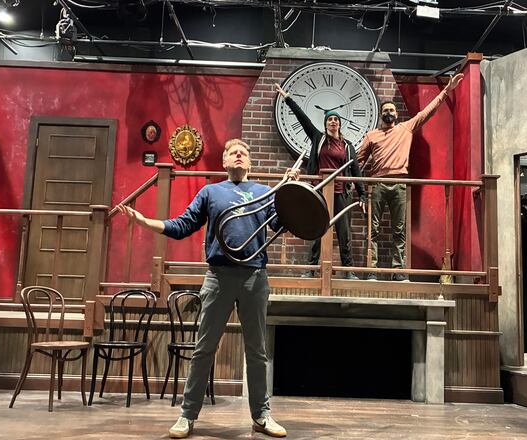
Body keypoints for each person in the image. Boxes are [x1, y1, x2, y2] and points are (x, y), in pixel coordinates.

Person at [118, 139, 296, 439]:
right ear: (225, 162)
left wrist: (288, 192)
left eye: (244, 153)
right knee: (204, 349)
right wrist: (146, 222)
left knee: (257, 351)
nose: (239, 155)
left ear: (249, 163)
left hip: (255, 277)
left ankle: (262, 416)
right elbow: (183, 225)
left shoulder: (265, 193)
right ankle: (187, 416)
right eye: (233, 153)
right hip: (218, 277)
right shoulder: (211, 193)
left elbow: (282, 224)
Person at [357, 74, 464, 281]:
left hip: (400, 183)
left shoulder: (406, 128)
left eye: (391, 110)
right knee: (374, 230)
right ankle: (373, 270)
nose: (388, 113)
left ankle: (398, 271)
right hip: (377, 184)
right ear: (381, 115)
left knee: (399, 230)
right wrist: (359, 190)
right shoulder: (372, 135)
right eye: (385, 111)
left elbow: (427, 112)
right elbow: (358, 163)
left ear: (396, 114)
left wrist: (446, 91)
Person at [275, 82, 367, 280]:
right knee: (317, 231)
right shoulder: (319, 138)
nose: (333, 122)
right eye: (329, 119)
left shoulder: (348, 146)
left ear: (339, 123)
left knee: (344, 234)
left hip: (341, 193)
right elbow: (303, 119)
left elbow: (355, 169)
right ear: (325, 124)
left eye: (335, 119)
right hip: (320, 192)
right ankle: (311, 269)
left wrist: (362, 194)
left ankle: (348, 271)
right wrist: (287, 98)